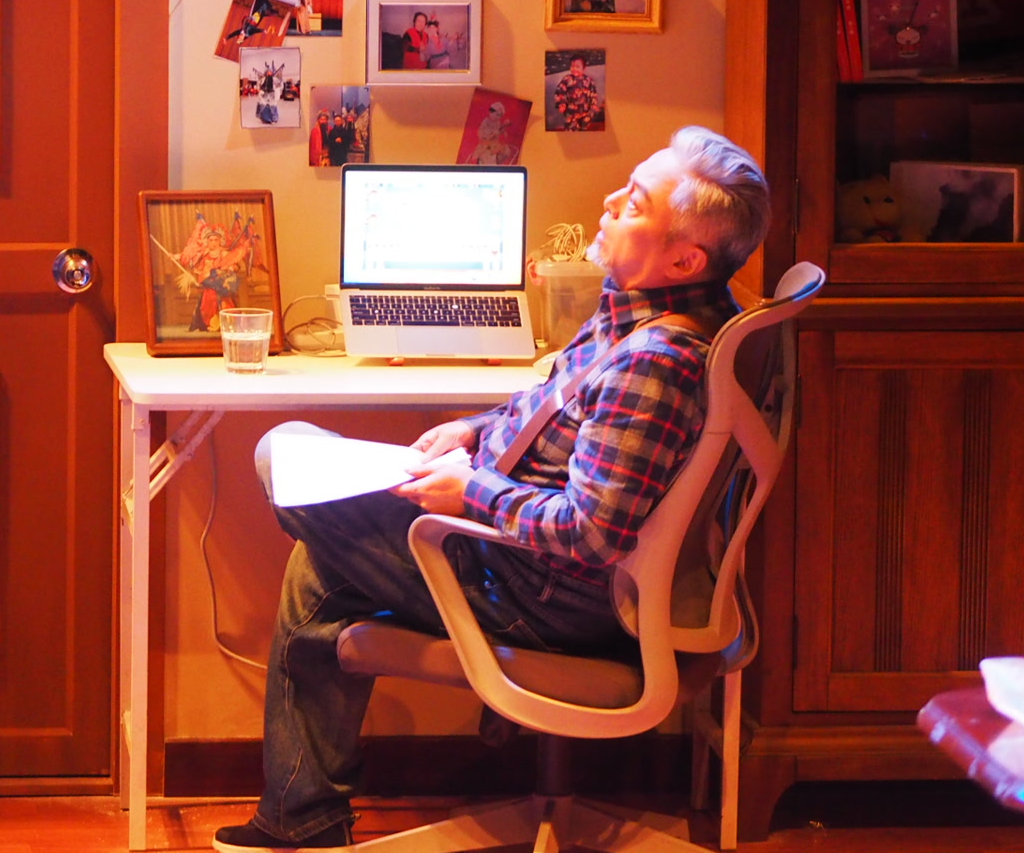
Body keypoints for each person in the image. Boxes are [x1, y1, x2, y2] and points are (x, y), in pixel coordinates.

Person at [211, 128, 771, 852]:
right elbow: (557, 406)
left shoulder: (656, 362)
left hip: (543, 595)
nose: (608, 202)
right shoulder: (637, 312)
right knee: (318, 558)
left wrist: (470, 494)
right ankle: (301, 818)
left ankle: (303, 820)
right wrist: (473, 431)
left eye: (634, 204)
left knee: (281, 455)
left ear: (685, 259)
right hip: (524, 560)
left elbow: (592, 532)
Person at [555, 55, 604, 130]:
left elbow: (593, 93)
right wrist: (562, 104)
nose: (574, 69)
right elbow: (560, 92)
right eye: (572, 66)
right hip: (571, 112)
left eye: (577, 67)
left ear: (584, 68)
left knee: (584, 128)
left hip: (586, 111)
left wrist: (593, 104)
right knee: (571, 129)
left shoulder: (588, 80)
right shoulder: (567, 79)